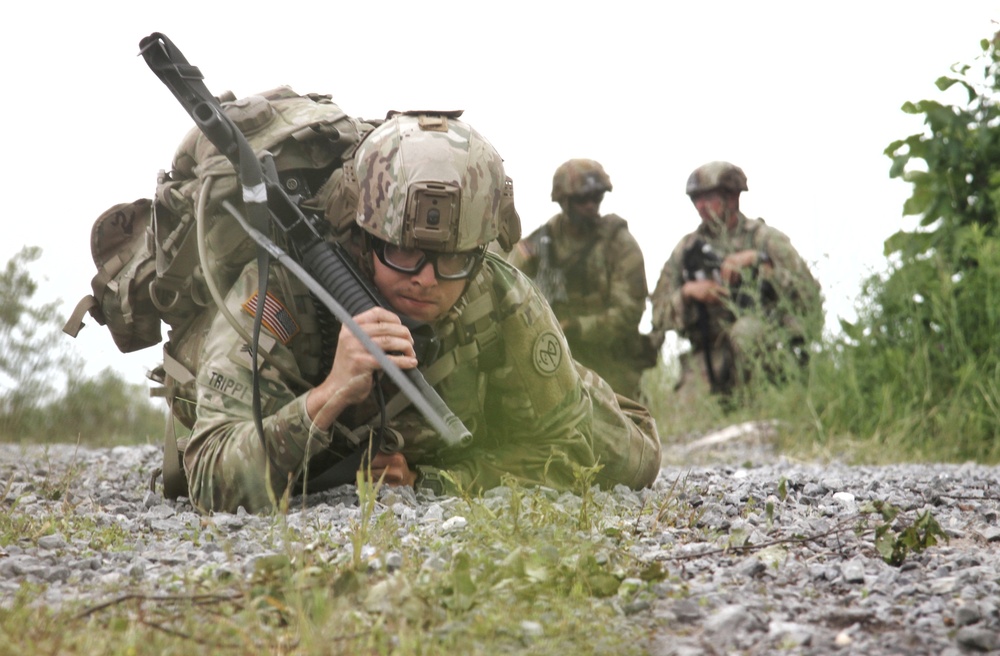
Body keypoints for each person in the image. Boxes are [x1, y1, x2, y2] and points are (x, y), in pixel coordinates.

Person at [181, 113, 661, 514]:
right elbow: (206, 478)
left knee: (631, 458)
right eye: (405, 253)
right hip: (288, 427)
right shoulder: (281, 290)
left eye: (454, 259)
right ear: (364, 237)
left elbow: (572, 449)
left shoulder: (497, 290)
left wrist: (435, 480)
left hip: (463, 437)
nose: (427, 279)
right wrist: (326, 397)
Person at [649, 161, 822, 399]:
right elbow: (658, 313)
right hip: (710, 354)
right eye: (695, 199)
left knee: (746, 332)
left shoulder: (765, 240)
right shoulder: (687, 251)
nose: (700, 206)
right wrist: (688, 293)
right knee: (685, 420)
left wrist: (759, 263)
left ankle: (761, 404)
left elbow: (809, 298)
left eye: (708, 198)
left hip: (767, 346)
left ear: (732, 197)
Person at [507, 159, 653, 400]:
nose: (591, 206)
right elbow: (508, 285)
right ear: (564, 202)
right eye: (582, 200)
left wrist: (576, 327)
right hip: (557, 361)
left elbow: (629, 312)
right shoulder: (539, 244)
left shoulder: (619, 244)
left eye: (596, 198)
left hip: (611, 363)